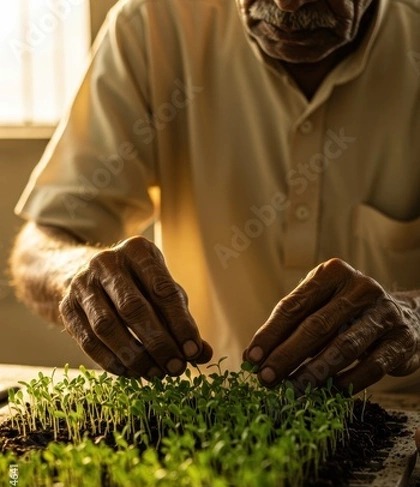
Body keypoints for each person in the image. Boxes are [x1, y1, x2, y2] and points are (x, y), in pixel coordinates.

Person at [8, 0, 420, 436]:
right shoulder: (152, 24)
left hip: (401, 416)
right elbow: (41, 248)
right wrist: (78, 276)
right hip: (208, 421)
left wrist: (413, 314)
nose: (287, 4)